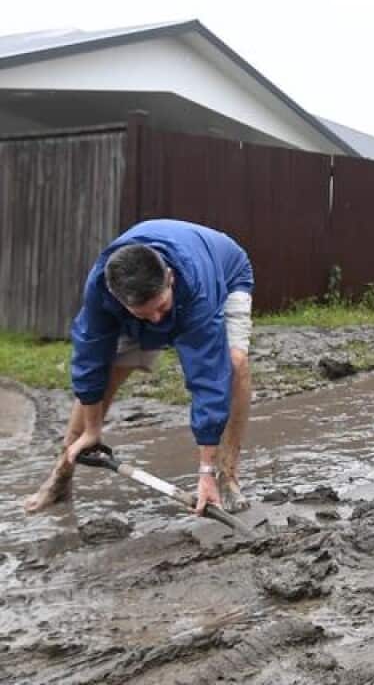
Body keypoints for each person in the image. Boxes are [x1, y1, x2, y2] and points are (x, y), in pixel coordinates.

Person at [24, 219, 255, 515]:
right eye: (145, 314)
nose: (158, 320)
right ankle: (60, 476)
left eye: (161, 308)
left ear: (169, 278)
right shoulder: (101, 287)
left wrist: (205, 471)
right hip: (153, 292)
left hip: (225, 270)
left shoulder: (198, 289)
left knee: (234, 365)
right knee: (103, 375)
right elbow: (89, 361)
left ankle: (227, 477)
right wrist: (93, 429)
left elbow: (207, 378)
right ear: (118, 300)